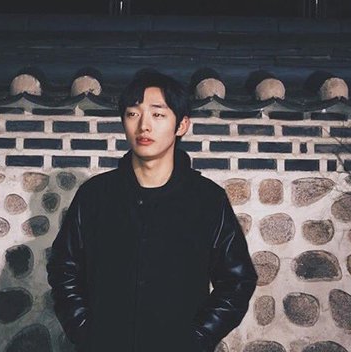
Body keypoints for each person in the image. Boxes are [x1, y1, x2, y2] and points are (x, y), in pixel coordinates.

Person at [47, 70, 258, 352]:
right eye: (133, 114)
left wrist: (197, 337)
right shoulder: (95, 195)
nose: (144, 126)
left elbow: (237, 280)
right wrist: (85, 330)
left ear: (181, 125)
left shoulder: (207, 199)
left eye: (158, 114)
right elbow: (64, 268)